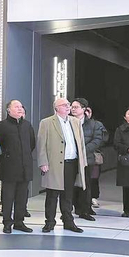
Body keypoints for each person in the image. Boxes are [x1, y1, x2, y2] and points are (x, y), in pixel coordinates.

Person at [37, 98, 88, 233]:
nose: (68, 107)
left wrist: (83, 162)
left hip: (72, 163)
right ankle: (49, 222)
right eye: (64, 105)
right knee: (52, 195)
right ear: (56, 108)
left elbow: (81, 143)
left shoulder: (75, 122)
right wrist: (43, 162)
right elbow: (41, 144)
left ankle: (68, 221)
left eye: (68, 104)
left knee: (68, 195)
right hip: (54, 164)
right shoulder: (47, 122)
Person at [0, 100, 35, 234]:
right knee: (8, 196)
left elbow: (32, 144)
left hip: (25, 167)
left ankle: (19, 222)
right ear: (8, 110)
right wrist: (6, 157)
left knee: (22, 197)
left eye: (21, 106)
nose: (20, 108)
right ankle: (7, 222)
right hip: (9, 167)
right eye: (16, 106)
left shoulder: (27, 125)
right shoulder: (1, 126)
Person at [71, 98, 104, 221]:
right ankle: (75, 207)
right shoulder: (68, 122)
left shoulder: (94, 124)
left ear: (84, 109)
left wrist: (83, 150)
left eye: (76, 107)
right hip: (71, 158)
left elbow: (97, 140)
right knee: (72, 184)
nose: (73, 109)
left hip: (87, 158)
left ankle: (85, 210)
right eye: (72, 107)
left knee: (86, 184)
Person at [85, 106, 107, 208]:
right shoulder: (75, 123)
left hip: (94, 154)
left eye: (88, 111)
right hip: (80, 155)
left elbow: (104, 138)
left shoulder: (97, 124)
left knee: (93, 178)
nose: (86, 113)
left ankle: (93, 197)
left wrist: (92, 145)